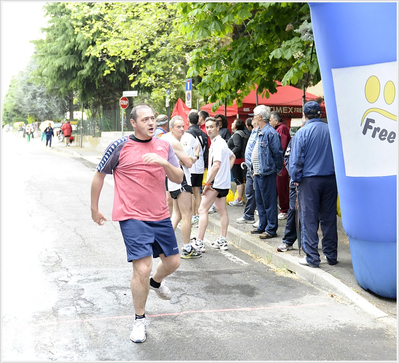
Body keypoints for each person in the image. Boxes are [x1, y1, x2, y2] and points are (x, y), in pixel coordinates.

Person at [90, 104, 183, 343]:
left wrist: (163, 163)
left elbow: (178, 177)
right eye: (145, 119)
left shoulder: (164, 145)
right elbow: (99, 175)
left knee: (173, 262)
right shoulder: (119, 147)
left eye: (153, 118)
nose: (151, 123)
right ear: (133, 122)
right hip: (131, 216)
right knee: (142, 268)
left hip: (160, 215)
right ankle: (139, 320)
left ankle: (156, 282)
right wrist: (94, 208)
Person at [288, 101, 338, 268]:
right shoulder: (331, 130)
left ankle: (312, 257)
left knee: (309, 218)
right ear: (319, 113)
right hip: (330, 178)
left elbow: (296, 161)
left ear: (304, 115)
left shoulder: (302, 132)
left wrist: (294, 179)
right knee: (329, 218)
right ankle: (331, 255)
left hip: (309, 180)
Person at [191, 117, 235, 252]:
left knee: (202, 210)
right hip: (223, 183)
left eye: (212, 127)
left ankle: (199, 242)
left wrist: (208, 182)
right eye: (207, 127)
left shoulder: (217, 143)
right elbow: (231, 157)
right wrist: (225, 173)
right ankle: (222, 240)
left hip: (215, 183)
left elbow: (216, 165)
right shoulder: (221, 142)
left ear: (217, 128)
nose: (209, 129)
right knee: (222, 210)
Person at [162, 116, 202, 259]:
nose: (181, 129)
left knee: (177, 214)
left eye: (182, 126)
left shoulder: (165, 138)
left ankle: (165, 243)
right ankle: (186, 248)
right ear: (171, 128)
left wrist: (187, 158)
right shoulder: (174, 142)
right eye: (178, 126)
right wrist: (191, 158)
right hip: (181, 179)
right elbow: (189, 163)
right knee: (187, 214)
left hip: (171, 179)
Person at [250, 105, 283, 240]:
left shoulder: (270, 133)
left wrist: (277, 169)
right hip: (258, 172)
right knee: (260, 201)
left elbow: (277, 153)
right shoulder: (260, 131)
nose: (253, 118)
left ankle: (271, 228)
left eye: (254, 115)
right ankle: (263, 225)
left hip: (267, 172)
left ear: (259, 117)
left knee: (269, 202)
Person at [182, 111, 209, 225]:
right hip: (200, 164)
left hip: (192, 164)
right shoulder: (203, 133)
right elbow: (206, 150)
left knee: (192, 191)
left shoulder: (187, 134)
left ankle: (194, 215)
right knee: (197, 190)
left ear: (188, 120)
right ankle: (200, 214)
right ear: (198, 120)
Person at [236, 116, 259, 224]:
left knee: (259, 193)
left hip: (256, 168)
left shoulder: (261, 131)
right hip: (250, 167)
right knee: (249, 192)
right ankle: (248, 215)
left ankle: (261, 218)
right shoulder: (253, 131)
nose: (252, 120)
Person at [270, 111, 291, 220]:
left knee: (282, 187)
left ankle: (285, 209)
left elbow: (281, 147)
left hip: (281, 163)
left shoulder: (281, 129)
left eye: (270, 120)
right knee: (277, 187)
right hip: (278, 163)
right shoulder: (278, 129)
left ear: (276, 120)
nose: (269, 122)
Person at [227, 119, 248, 207]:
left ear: (236, 125)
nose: (232, 123)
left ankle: (239, 199)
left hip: (236, 160)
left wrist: (230, 154)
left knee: (238, 180)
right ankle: (239, 198)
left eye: (233, 122)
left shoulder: (236, 134)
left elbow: (238, 146)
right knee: (240, 179)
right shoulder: (243, 134)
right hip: (241, 158)